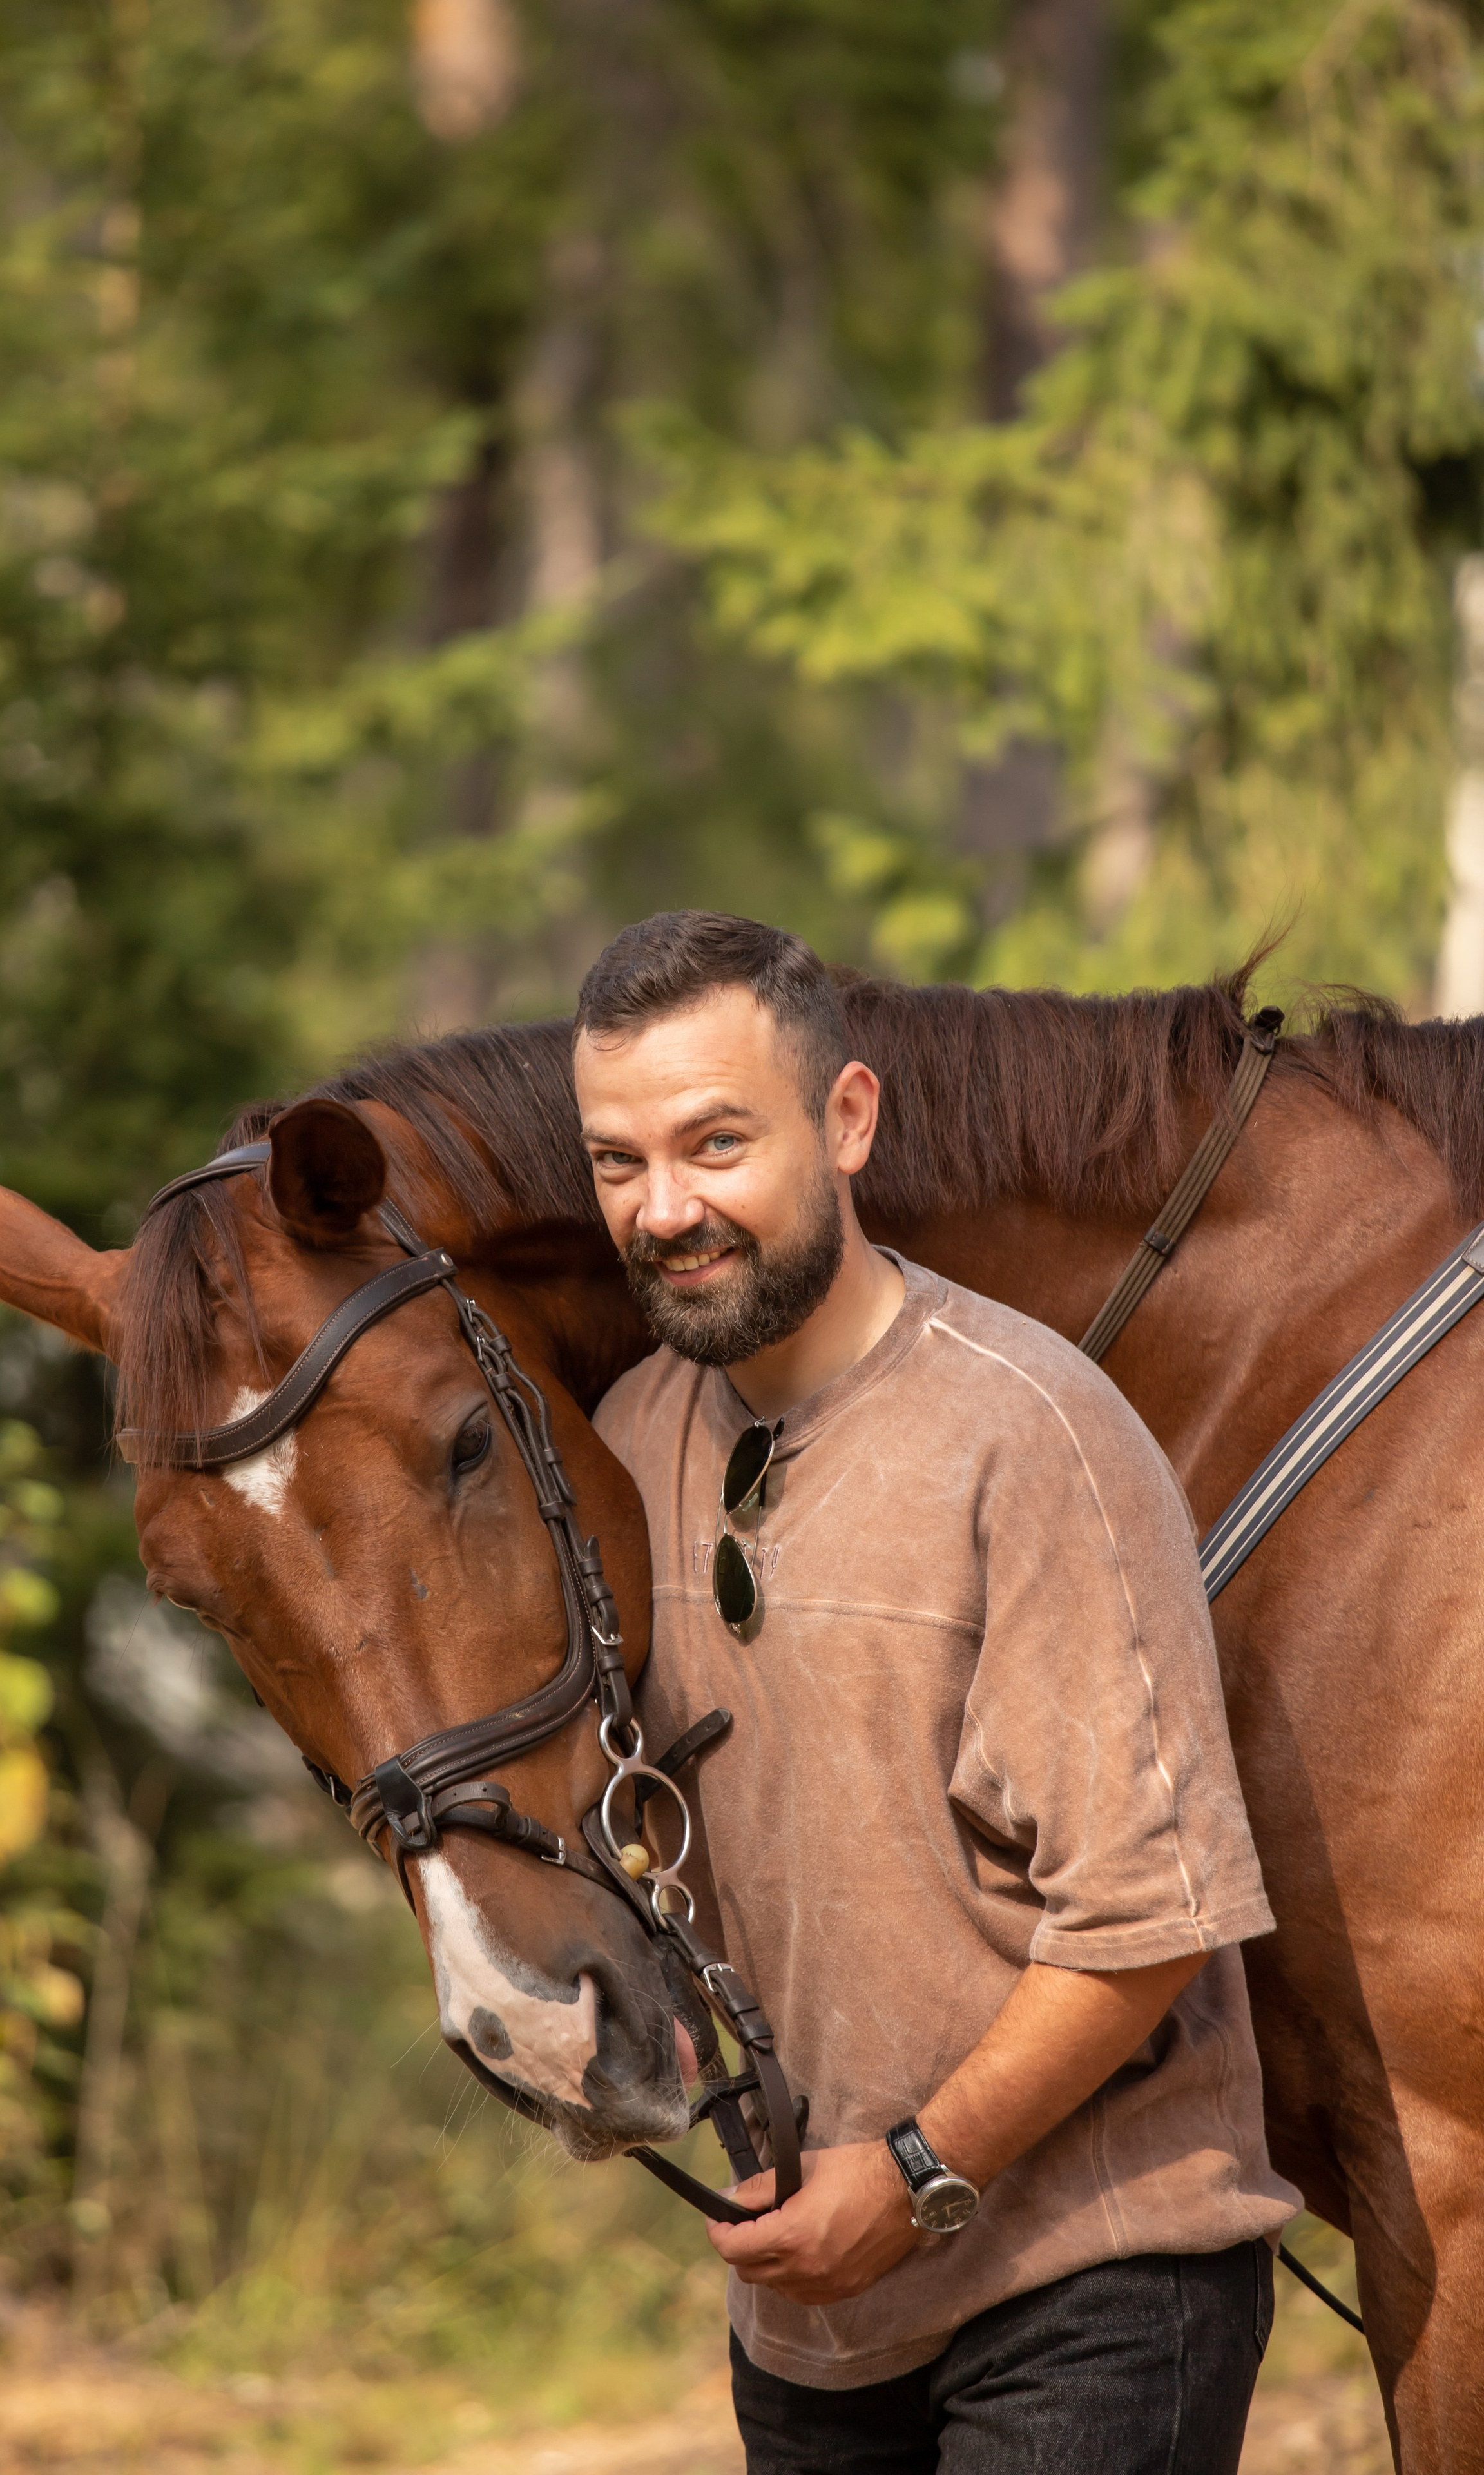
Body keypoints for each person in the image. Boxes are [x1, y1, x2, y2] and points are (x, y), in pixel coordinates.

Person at [573, 911, 1299, 2475]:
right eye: (617, 1162)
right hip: (815, 2318)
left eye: (714, 1143)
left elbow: (1148, 1923)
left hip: (1092, 2289)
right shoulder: (628, 1441)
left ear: (846, 1120)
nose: (663, 1208)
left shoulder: (1031, 1434)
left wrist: (908, 2176)